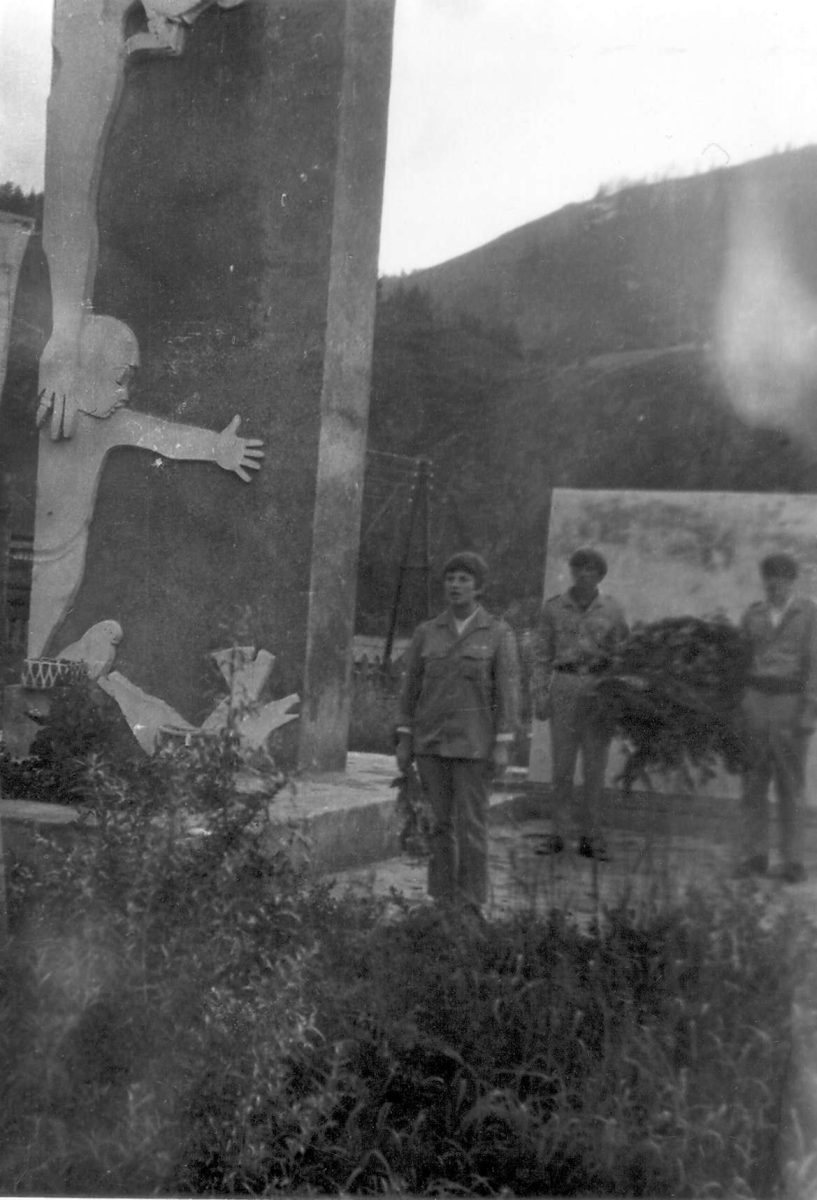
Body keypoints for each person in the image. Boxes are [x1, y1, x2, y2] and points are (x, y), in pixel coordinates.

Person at [29, 313, 264, 659]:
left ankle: (32, 667)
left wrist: (216, 448)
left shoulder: (109, 424)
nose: (125, 393)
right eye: (119, 379)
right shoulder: (47, 407)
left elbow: (163, 436)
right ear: (86, 369)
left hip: (66, 552)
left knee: (44, 622)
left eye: (130, 381)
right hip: (31, 545)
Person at [395, 552, 520, 916]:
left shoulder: (497, 633)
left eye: (464, 579)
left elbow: (508, 694)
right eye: (450, 578)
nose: (455, 585)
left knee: (471, 826)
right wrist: (404, 739)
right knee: (439, 825)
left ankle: (470, 902)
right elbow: (410, 691)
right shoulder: (427, 632)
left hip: (474, 747)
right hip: (431, 744)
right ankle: (441, 899)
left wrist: (503, 744)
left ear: (479, 588)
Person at [531, 547, 628, 860]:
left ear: (600, 575)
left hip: (598, 689)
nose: (585, 574)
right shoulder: (554, 608)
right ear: (572, 571)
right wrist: (540, 693)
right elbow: (541, 654)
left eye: (592, 569)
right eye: (579, 568)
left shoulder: (612, 610)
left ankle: (591, 836)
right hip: (565, 684)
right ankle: (558, 834)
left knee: (594, 768)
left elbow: (621, 655)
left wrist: (615, 695)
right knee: (562, 767)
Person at [735, 552, 817, 884]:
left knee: (790, 782)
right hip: (756, 700)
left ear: (792, 580)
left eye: (781, 577)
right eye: (769, 576)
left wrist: (810, 709)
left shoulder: (809, 614)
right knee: (753, 781)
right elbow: (741, 660)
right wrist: (741, 705)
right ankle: (753, 856)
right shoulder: (753, 613)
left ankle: (793, 860)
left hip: (789, 702)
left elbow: (815, 663)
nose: (774, 583)